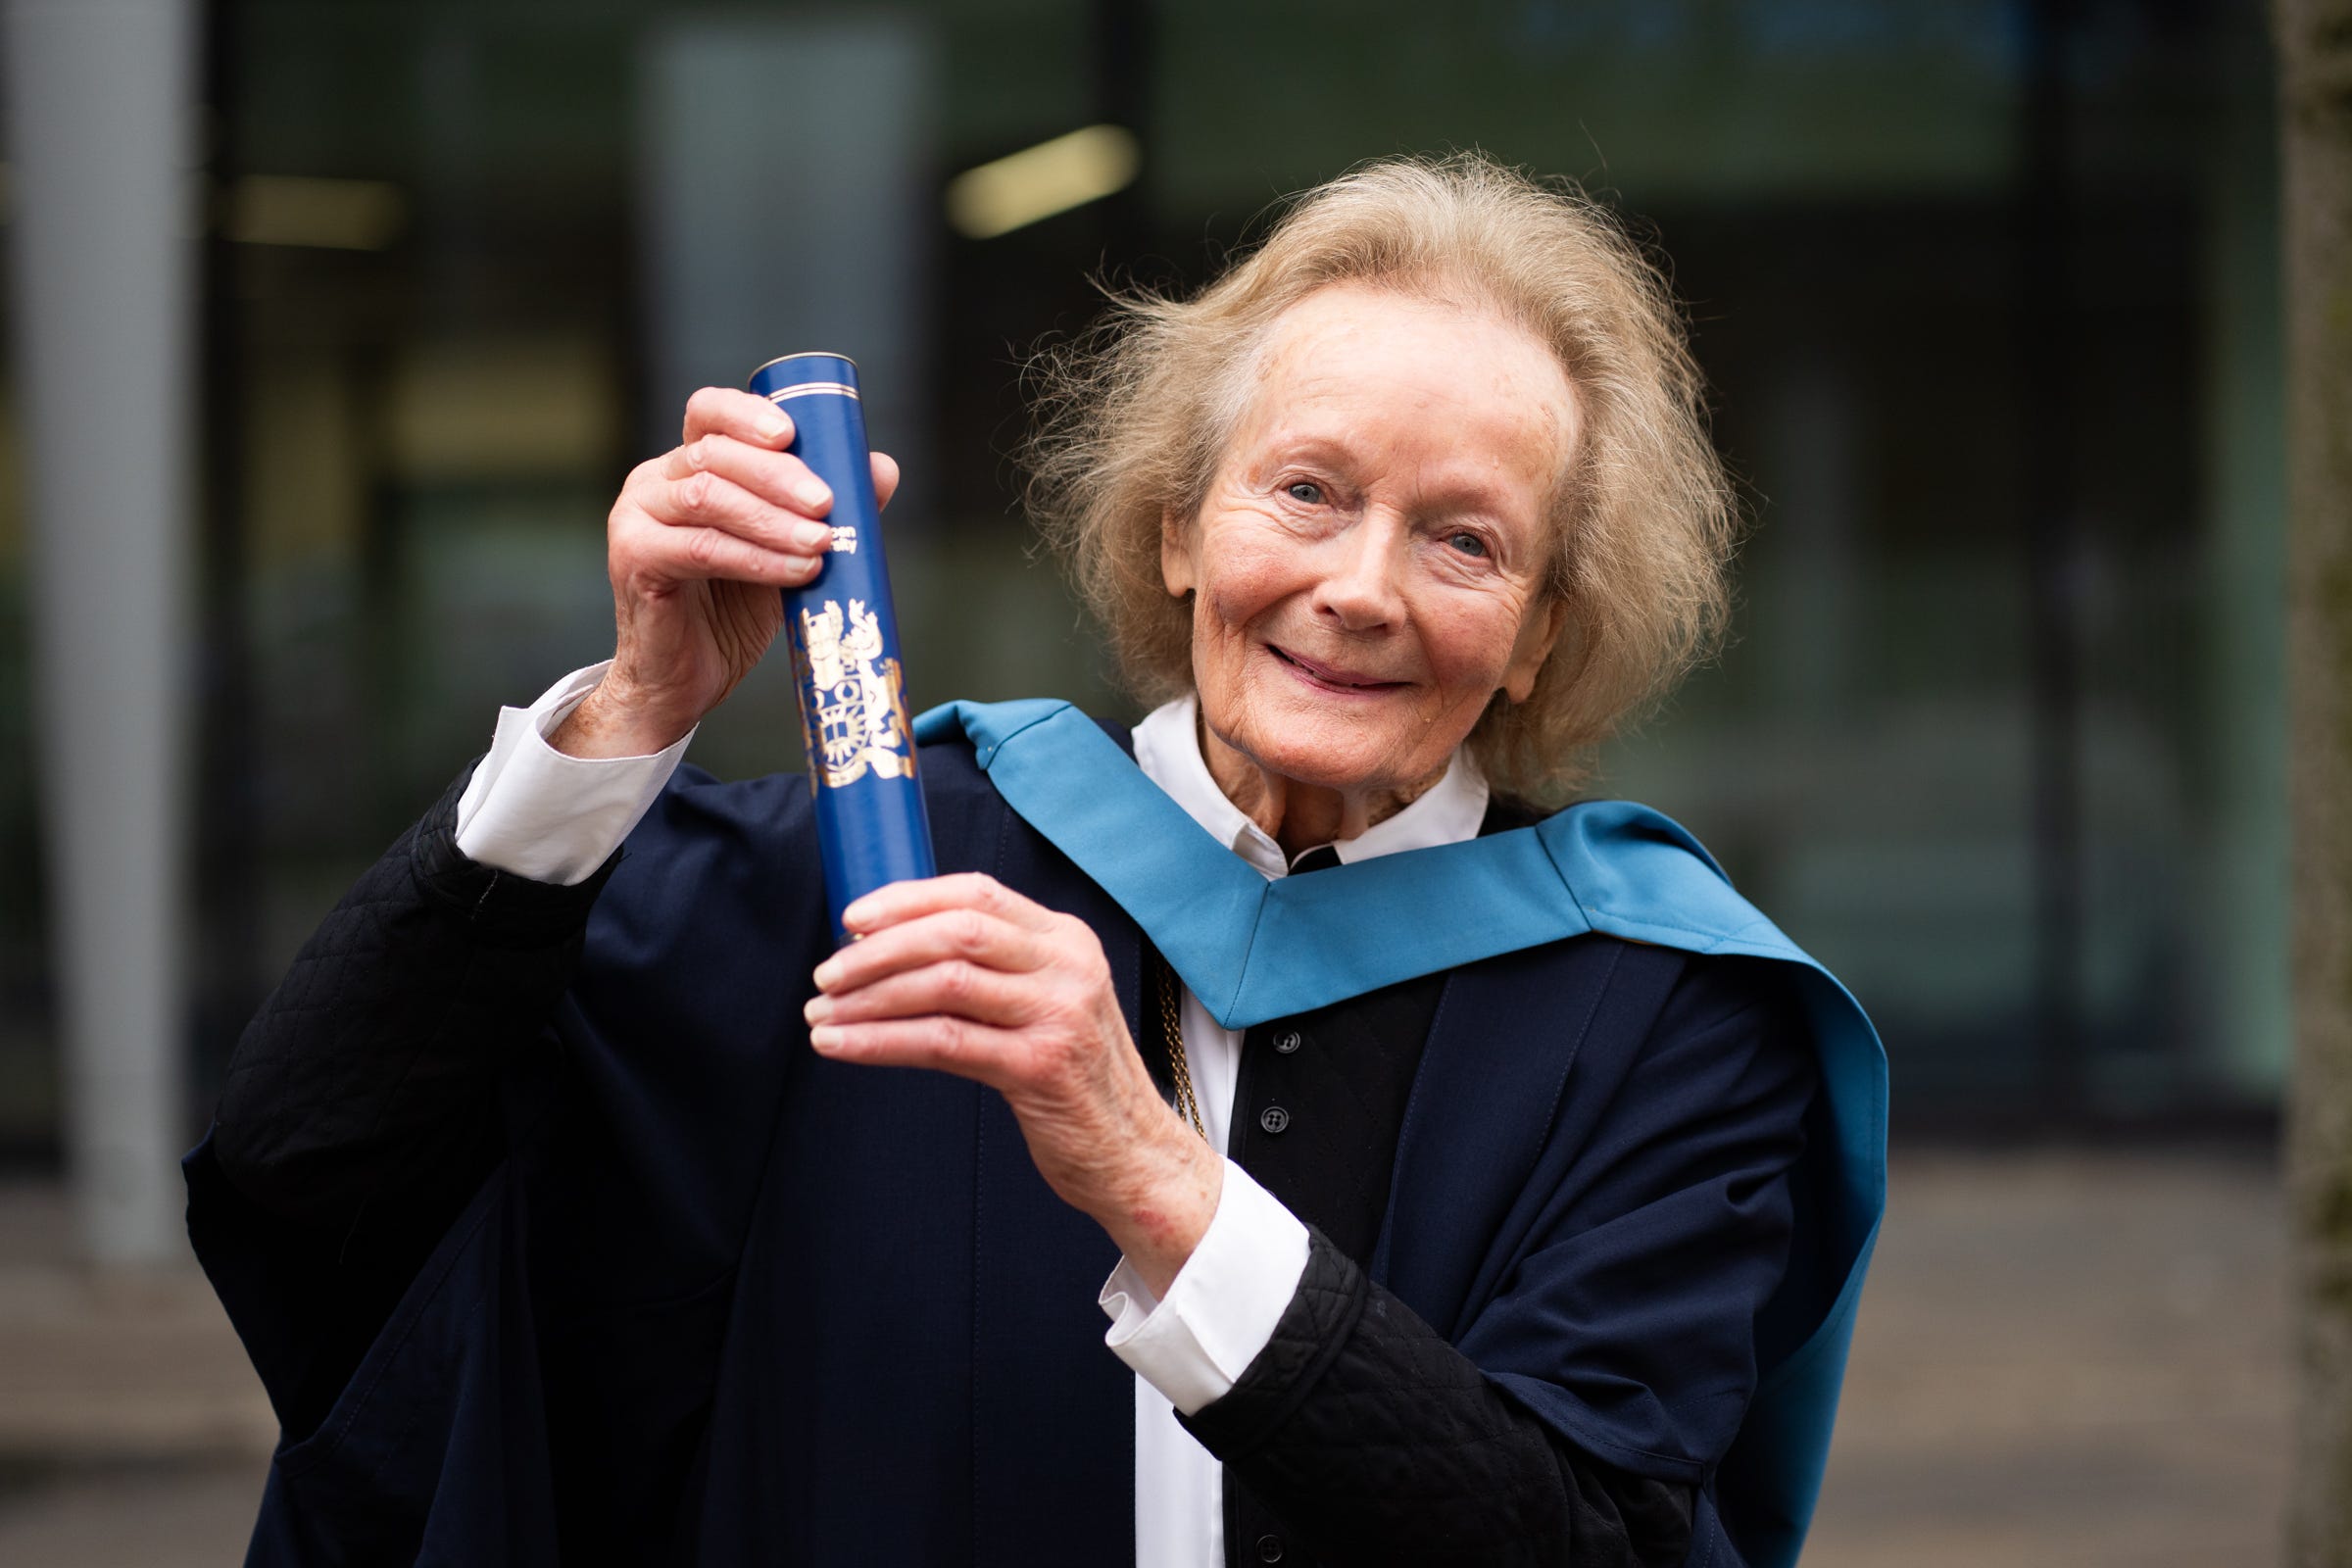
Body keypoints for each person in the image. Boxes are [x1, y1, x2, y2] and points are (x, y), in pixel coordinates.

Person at [189, 154, 1885, 1568]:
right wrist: (634, 713)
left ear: (1535, 636)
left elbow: (1587, 1540)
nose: (1366, 586)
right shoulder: (826, 897)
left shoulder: (1665, 1023)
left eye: (1465, 539)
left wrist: (1155, 1179)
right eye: (1305, 488)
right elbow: (323, 1185)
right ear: (1175, 527)